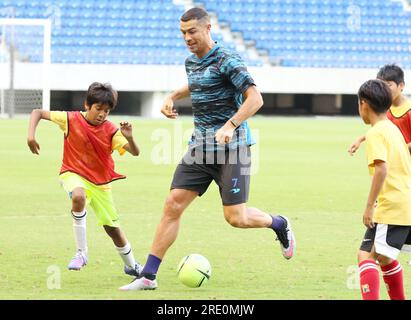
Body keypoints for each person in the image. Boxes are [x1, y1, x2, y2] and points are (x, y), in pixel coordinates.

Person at [120, 7, 296, 291]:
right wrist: (171, 96)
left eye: (192, 32)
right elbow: (197, 81)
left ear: (207, 28)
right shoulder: (192, 62)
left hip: (234, 148)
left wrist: (230, 125)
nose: (187, 38)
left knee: (235, 218)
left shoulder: (228, 60)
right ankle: (148, 276)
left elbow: (255, 98)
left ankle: (279, 224)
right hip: (200, 147)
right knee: (172, 204)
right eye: (183, 33)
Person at [27, 82, 143, 277]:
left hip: (100, 184)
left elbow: (135, 152)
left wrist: (130, 138)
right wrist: (31, 136)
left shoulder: (111, 130)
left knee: (113, 229)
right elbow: (37, 112)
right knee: (78, 196)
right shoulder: (70, 119)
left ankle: (132, 265)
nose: (102, 114)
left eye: (106, 111)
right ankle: (81, 253)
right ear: (87, 105)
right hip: (72, 173)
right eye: (98, 108)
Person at [355, 79, 411, 300]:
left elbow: (381, 169)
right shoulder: (392, 128)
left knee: (365, 256)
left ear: (364, 104)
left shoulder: (378, 132)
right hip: (405, 202)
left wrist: (369, 207)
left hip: (392, 206)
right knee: (385, 258)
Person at [348, 64, 411, 155]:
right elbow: (382, 130)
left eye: (388, 85)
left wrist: (398, 149)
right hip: (393, 163)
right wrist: (361, 139)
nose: (385, 90)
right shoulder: (385, 107)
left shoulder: (409, 110)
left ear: (401, 85)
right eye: (381, 86)